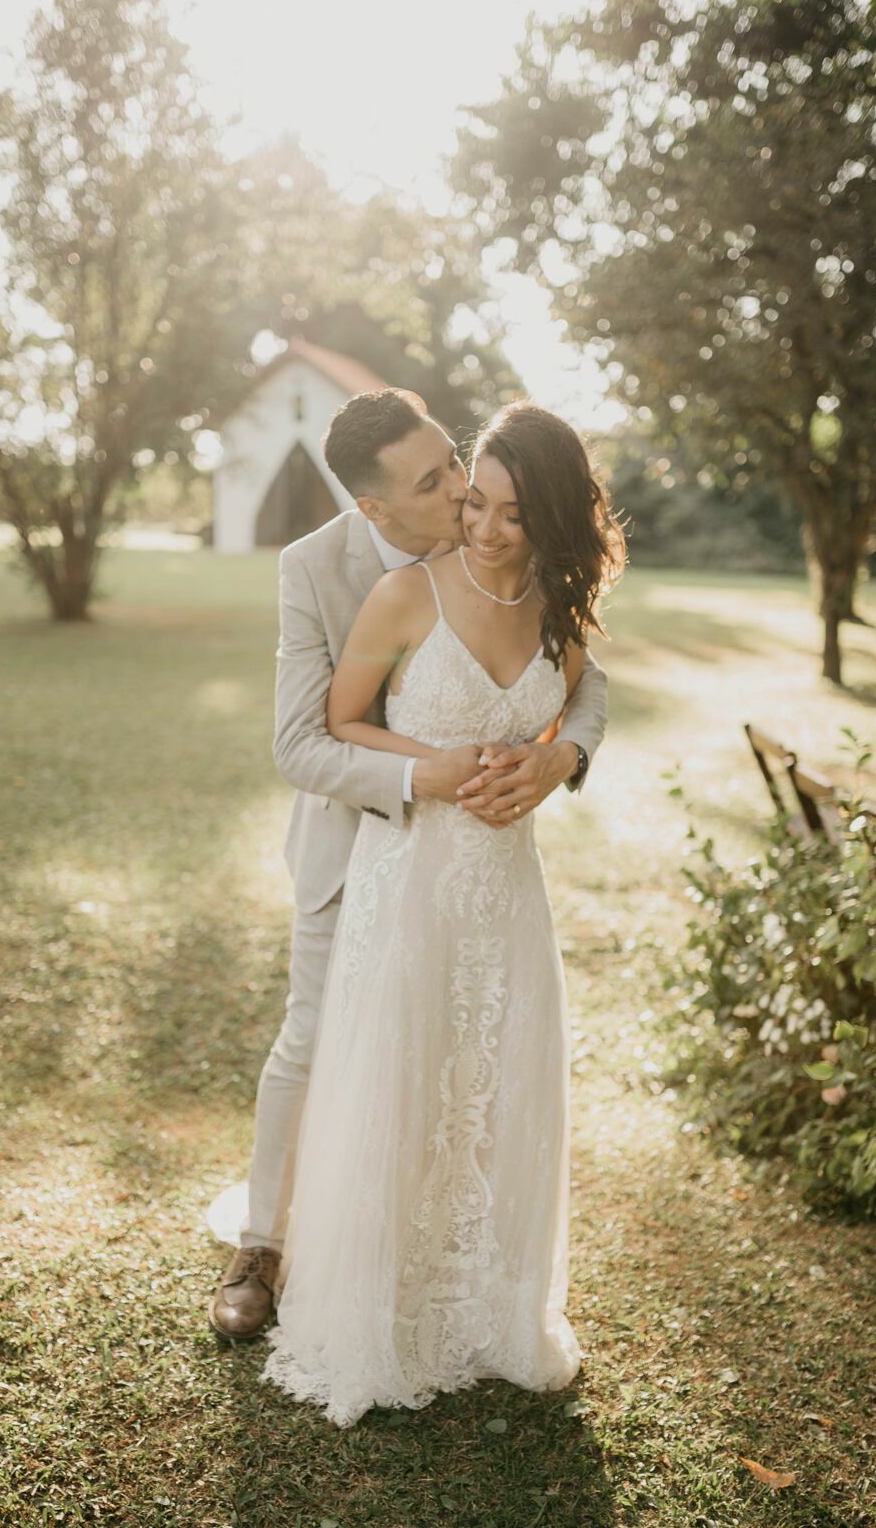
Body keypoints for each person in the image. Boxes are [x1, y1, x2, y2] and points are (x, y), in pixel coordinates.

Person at [207, 389, 609, 1339]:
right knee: (313, 1041)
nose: (464, 492)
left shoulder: (506, 536)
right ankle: (264, 1246)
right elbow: (301, 745)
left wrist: (564, 757)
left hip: (486, 873)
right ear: (375, 510)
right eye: (435, 484)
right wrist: (420, 776)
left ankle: (422, 1245)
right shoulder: (317, 570)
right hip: (357, 848)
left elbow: (589, 683)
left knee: (455, 1054)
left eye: (453, 463)